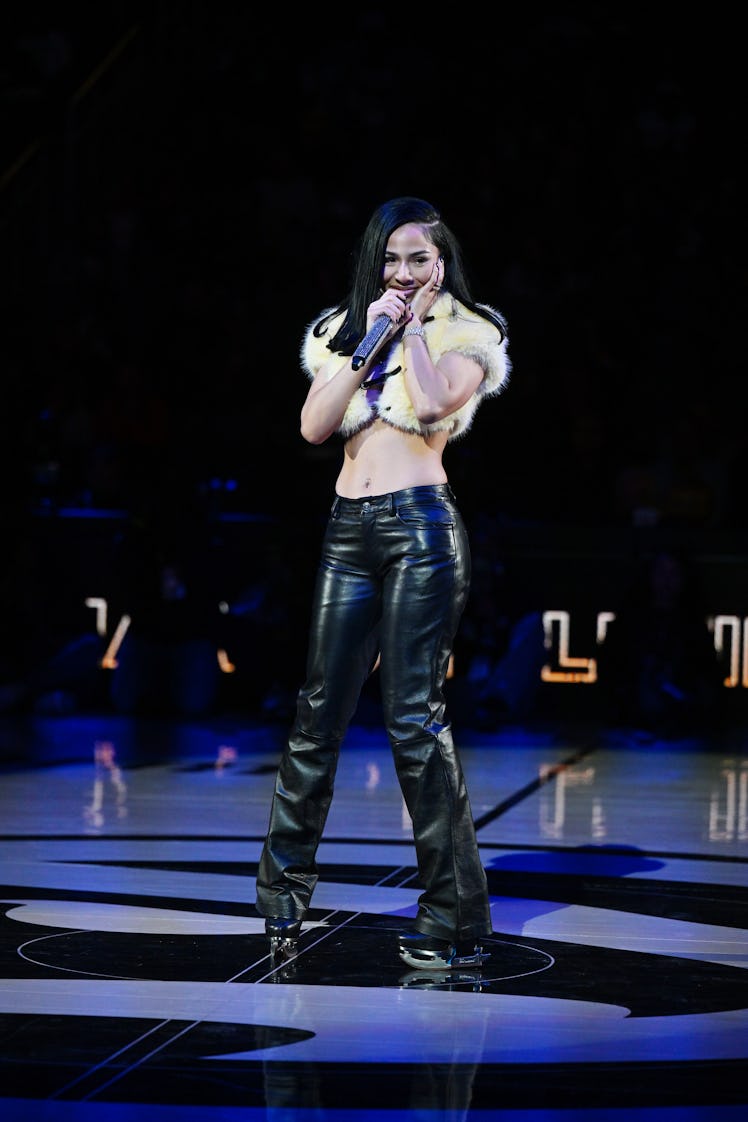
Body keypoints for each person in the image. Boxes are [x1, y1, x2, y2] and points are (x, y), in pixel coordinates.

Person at [254, 196, 511, 970]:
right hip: (346, 531)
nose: (405, 273)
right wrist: (370, 337)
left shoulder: (470, 332)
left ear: (442, 264)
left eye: (420, 260)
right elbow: (313, 426)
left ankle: (454, 918)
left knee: (414, 722)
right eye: (393, 259)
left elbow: (433, 405)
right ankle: (281, 901)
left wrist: (411, 331)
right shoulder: (345, 328)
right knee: (316, 715)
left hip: (421, 532)